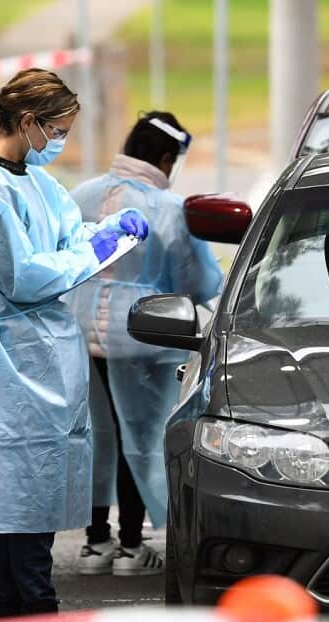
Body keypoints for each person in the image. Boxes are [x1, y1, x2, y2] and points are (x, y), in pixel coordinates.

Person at [0, 68, 149, 622]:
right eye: (57, 129)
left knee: (21, 496)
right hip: (19, 351)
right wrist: (95, 250)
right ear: (28, 122)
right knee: (24, 495)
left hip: (41, 347)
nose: (60, 140)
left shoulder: (28, 177)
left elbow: (62, 234)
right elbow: (24, 275)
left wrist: (105, 231)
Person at [69, 112, 223, 575]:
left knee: (95, 436)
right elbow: (195, 278)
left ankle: (96, 543)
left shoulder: (81, 195)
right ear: (164, 158)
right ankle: (134, 547)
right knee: (140, 436)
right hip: (144, 333)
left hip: (80, 329)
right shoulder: (168, 208)